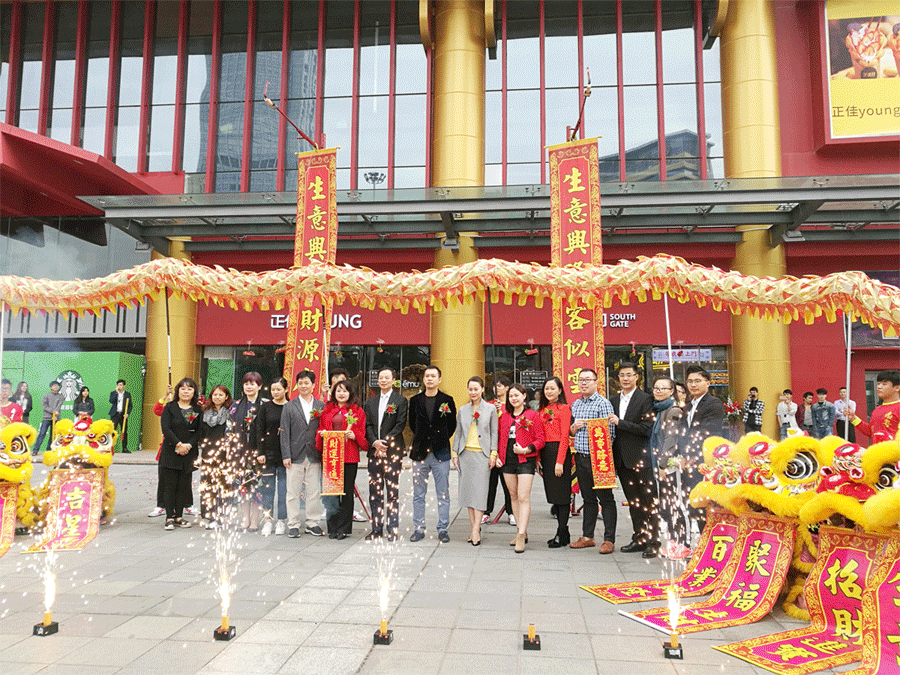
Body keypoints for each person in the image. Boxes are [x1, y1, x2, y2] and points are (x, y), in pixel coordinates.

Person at [609, 362, 657, 558]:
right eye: (622, 375)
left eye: (629, 375)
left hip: (641, 458)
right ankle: (639, 538)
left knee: (649, 500)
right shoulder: (612, 400)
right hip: (621, 460)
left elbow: (647, 428)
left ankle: (653, 541)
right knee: (633, 501)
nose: (625, 378)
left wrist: (620, 423)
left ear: (637, 377)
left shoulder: (646, 399)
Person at [568, 368, 616, 554]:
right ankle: (587, 536)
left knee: (606, 499)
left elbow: (610, 434)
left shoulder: (603, 404)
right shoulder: (576, 404)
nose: (584, 383)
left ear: (596, 382)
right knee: (588, 499)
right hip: (581, 457)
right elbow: (571, 432)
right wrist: (574, 428)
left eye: (588, 380)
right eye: (581, 380)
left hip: (599, 459)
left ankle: (609, 539)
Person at [407, 365, 456, 543]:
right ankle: (418, 528)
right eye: (427, 376)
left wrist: (439, 439)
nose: (429, 379)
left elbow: (451, 425)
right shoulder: (415, 400)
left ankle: (443, 529)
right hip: (420, 452)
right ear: (423, 379)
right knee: (419, 494)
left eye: (433, 376)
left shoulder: (447, 400)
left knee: (443, 493)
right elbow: (412, 424)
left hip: (440, 452)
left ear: (439, 379)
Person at [316, 379, 367, 539]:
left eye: (345, 391)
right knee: (331, 493)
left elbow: (362, 432)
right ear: (334, 393)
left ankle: (344, 528)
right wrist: (322, 433)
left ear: (350, 393)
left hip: (349, 457)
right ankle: (332, 527)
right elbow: (321, 427)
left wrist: (354, 435)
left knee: (346, 492)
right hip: (331, 457)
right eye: (338, 391)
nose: (341, 394)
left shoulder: (357, 411)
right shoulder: (327, 409)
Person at [497, 383, 545, 553]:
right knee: (513, 495)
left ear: (524, 396)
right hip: (507, 461)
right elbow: (499, 438)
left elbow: (541, 439)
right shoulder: (504, 416)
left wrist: (527, 449)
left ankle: (521, 535)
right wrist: (498, 456)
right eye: (511, 396)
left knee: (523, 496)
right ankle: (520, 530)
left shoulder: (532, 415)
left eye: (517, 395)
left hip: (525, 460)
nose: (514, 398)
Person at [451, 376, 497, 547]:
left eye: (476, 389)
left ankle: (476, 529)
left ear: (482, 389)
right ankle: (473, 529)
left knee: (480, 494)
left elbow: (494, 432)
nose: (473, 392)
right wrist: (455, 453)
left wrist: (493, 454)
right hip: (465, 455)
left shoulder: (490, 409)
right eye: (470, 389)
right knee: (468, 495)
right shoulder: (463, 410)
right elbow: (458, 432)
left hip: (482, 456)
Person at [363, 367, 407, 541]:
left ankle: (392, 529)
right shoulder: (370, 402)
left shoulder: (400, 400)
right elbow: (367, 425)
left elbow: (400, 425)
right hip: (374, 453)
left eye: (387, 378)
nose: (383, 380)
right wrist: (375, 443)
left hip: (392, 452)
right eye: (381, 378)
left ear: (393, 380)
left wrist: (384, 443)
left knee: (392, 492)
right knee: (375, 491)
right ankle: (376, 528)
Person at [281, 370, 326, 538]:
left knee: (313, 491)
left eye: (307, 383)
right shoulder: (289, 406)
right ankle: (293, 523)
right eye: (300, 383)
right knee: (292, 492)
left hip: (314, 453)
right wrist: (286, 455)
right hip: (294, 455)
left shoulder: (321, 406)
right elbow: (284, 432)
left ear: (313, 385)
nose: (303, 386)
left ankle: (312, 522)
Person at [682, 365, 724, 534]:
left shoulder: (713, 403)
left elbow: (707, 431)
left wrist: (693, 455)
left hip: (705, 461)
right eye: (690, 381)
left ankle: (710, 538)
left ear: (707, 383)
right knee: (695, 503)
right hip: (690, 462)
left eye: (697, 381)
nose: (693, 385)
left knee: (706, 503)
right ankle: (702, 538)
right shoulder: (688, 406)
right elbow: (683, 432)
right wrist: (682, 455)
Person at [649, 377, 688, 548]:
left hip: (670, 466)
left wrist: (662, 465)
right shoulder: (659, 409)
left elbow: (670, 440)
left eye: (662, 388)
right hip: (662, 463)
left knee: (674, 504)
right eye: (656, 388)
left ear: (671, 391)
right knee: (667, 504)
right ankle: (674, 541)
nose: (658, 391)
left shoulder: (673, 410)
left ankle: (681, 543)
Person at [159, 377, 202, 530]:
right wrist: (178, 444)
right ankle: (169, 517)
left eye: (189, 389)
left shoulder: (198, 409)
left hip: (189, 452)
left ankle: (179, 516)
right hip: (171, 451)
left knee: (183, 485)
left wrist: (188, 445)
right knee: (170, 485)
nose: (186, 391)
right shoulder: (170, 407)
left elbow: (199, 431)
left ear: (194, 392)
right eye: (183, 388)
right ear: (178, 391)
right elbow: (166, 428)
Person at [229, 372, 267, 531]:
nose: (249, 387)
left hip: (259, 453)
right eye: (246, 384)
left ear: (259, 386)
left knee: (258, 489)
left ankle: (255, 521)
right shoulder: (236, 405)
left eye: (252, 384)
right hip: (240, 453)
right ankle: (245, 520)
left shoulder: (266, 404)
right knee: (243, 488)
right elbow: (229, 429)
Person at [538, 376, 572, 548]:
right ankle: (563, 533)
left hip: (559, 452)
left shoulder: (564, 409)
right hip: (546, 453)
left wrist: (560, 461)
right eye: (546, 388)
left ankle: (562, 530)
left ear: (559, 390)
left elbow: (565, 436)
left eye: (552, 388)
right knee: (553, 495)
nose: (549, 391)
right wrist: (538, 459)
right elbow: (538, 435)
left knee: (562, 496)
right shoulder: (542, 410)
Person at [252, 377, 289, 536]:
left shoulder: (290, 406)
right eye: (273, 389)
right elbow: (259, 430)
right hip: (267, 454)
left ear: (286, 389)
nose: (275, 392)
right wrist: (260, 452)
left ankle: (281, 520)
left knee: (283, 489)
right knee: (267, 489)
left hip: (285, 455)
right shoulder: (265, 407)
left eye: (279, 389)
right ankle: (267, 520)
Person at [199, 384, 232, 528]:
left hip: (224, 454)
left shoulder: (230, 413)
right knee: (208, 484)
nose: (217, 397)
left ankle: (221, 515)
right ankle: (209, 515)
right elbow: (200, 433)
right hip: (208, 452)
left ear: (226, 397)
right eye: (215, 395)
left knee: (223, 484)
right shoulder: (204, 413)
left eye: (221, 395)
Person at [484, 375, 514, 526]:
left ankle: (511, 512)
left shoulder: (512, 406)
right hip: (491, 449)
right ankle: (486, 512)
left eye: (500, 386)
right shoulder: (489, 405)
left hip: (507, 450)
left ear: (507, 388)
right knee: (490, 483)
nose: (496, 388)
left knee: (508, 485)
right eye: (495, 386)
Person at [850, 369, 900, 444]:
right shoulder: (877, 410)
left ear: (897, 388)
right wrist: (853, 418)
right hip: (876, 450)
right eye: (878, 384)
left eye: (884, 384)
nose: (879, 387)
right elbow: (871, 433)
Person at [149, 385, 176, 517]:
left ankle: (185, 505)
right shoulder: (167, 409)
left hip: (182, 449)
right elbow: (157, 409)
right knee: (163, 479)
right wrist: (165, 396)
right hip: (166, 449)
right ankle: (161, 505)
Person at [33, 380, 64, 456]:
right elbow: (45, 406)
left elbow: (59, 406)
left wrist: (55, 415)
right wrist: (53, 412)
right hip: (46, 418)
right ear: (50, 387)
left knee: (53, 435)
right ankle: (35, 450)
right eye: (54, 385)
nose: (56, 387)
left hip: (56, 418)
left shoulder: (61, 396)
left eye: (57, 385)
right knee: (42, 433)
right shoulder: (46, 395)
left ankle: (49, 450)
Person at [108, 379, 133, 453]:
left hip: (123, 414)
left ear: (124, 386)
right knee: (112, 431)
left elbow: (130, 406)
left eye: (121, 385)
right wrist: (116, 393)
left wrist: (127, 413)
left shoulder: (127, 394)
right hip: (115, 414)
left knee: (124, 431)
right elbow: (111, 401)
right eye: (118, 385)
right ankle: (110, 447)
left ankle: (124, 448)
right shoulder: (113, 393)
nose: (119, 386)